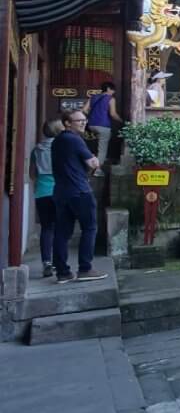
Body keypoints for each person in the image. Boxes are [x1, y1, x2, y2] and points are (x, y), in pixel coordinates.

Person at [51, 110, 105, 283]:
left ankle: (62, 272)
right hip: (80, 191)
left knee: (62, 232)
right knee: (89, 228)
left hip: (61, 192)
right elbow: (92, 163)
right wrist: (95, 161)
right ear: (67, 123)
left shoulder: (57, 140)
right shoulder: (75, 139)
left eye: (85, 120)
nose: (83, 123)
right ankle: (85, 268)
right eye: (79, 121)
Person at [30, 119, 64, 277]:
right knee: (61, 228)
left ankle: (47, 263)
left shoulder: (37, 149)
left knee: (47, 228)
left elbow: (32, 174)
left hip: (42, 192)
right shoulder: (62, 146)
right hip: (59, 190)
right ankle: (59, 263)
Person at [82, 81, 122, 175]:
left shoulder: (93, 97)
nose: (113, 92)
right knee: (102, 148)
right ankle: (98, 169)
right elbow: (113, 114)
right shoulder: (110, 99)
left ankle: (90, 165)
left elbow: (84, 110)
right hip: (103, 126)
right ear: (108, 89)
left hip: (91, 125)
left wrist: (91, 117)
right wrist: (121, 121)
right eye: (113, 90)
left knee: (93, 145)